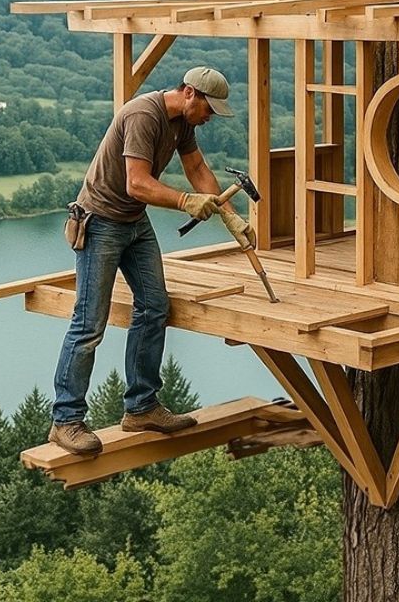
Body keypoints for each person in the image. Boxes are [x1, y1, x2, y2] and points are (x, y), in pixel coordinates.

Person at [48, 66, 255, 455]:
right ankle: (66, 420)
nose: (210, 117)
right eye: (209, 109)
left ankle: (141, 407)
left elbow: (196, 168)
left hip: (133, 221)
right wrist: (184, 201)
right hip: (102, 221)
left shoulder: (183, 122)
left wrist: (231, 217)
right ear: (190, 93)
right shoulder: (144, 114)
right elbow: (136, 183)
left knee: (155, 306)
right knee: (89, 323)